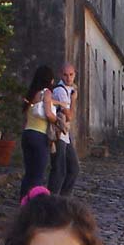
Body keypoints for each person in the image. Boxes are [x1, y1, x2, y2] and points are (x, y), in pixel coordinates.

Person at [20, 66, 57, 204]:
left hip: (27, 134)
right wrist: (56, 120)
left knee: (28, 173)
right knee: (38, 174)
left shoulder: (32, 93)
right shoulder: (46, 93)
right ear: (49, 79)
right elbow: (48, 113)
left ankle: (23, 203)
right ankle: (34, 206)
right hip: (39, 136)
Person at [48, 63, 79, 196]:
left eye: (71, 75)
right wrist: (73, 100)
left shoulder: (69, 89)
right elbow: (70, 116)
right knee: (59, 170)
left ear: (74, 75)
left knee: (73, 168)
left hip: (65, 135)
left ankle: (63, 199)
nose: (68, 78)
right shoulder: (61, 91)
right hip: (58, 134)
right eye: (66, 75)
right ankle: (52, 199)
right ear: (61, 75)